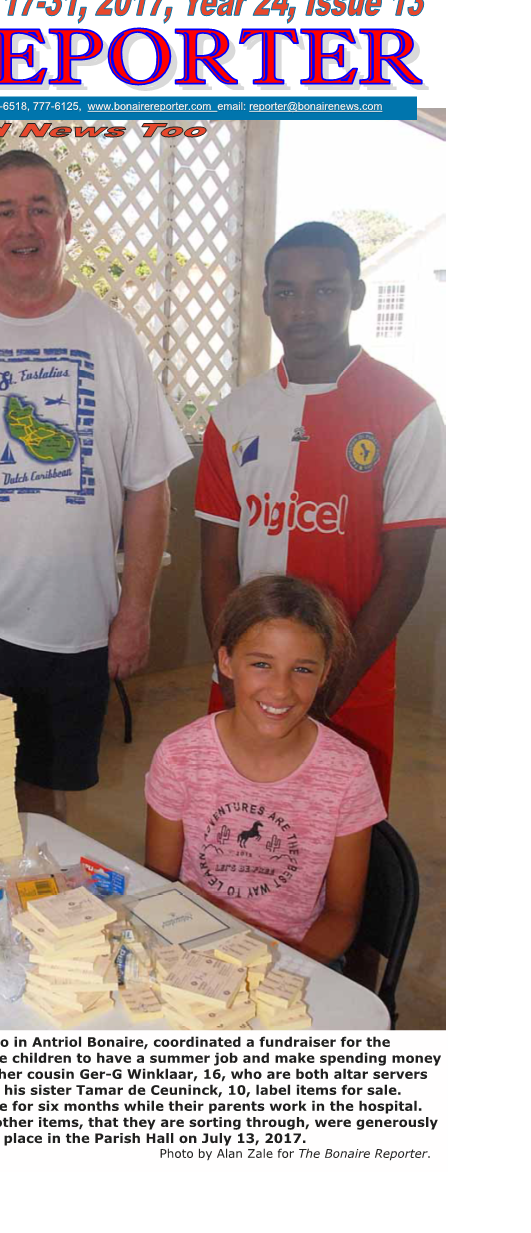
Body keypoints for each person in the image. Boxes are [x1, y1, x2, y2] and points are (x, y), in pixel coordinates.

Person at [0, 150, 189, 816]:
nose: (23, 226)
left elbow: (150, 487)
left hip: (79, 627)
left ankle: (40, 922)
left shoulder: (112, 338)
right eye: (5, 210)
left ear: (66, 224)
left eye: (39, 208)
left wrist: (134, 611)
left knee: (45, 804)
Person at [195, 221, 445, 805]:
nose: (303, 309)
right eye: (286, 291)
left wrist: (327, 687)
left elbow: (406, 571)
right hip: (246, 681)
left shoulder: (410, 412)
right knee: (232, 829)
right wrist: (232, 672)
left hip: (349, 680)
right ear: (265, 301)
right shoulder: (234, 415)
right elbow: (216, 563)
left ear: (356, 294)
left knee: (339, 839)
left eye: (325, 290)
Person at [145, 575, 385, 964]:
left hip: (299, 959)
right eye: (261, 664)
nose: (280, 690)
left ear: (325, 673)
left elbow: (342, 914)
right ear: (226, 661)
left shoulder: (349, 772)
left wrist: (272, 969)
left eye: (303, 670)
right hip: (193, 947)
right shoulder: (179, 757)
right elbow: (159, 884)